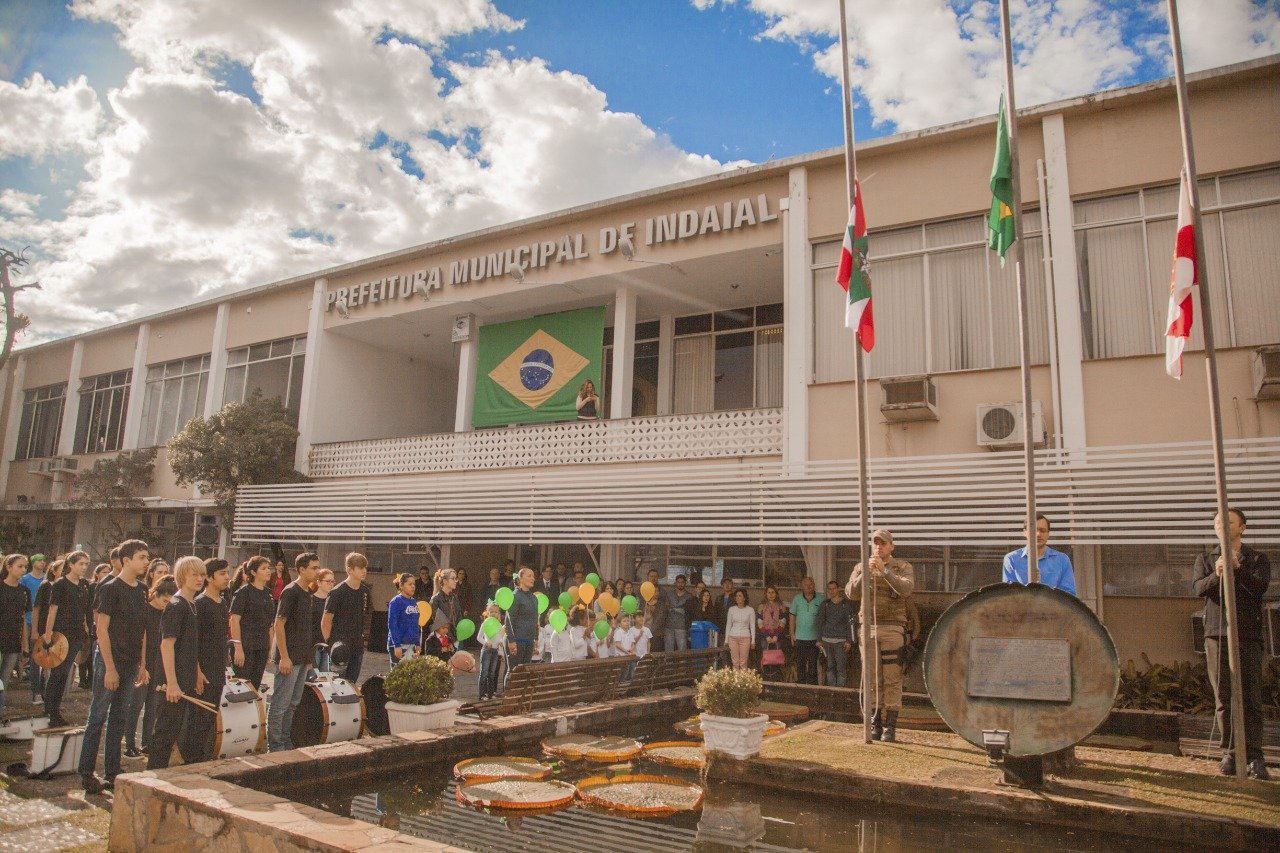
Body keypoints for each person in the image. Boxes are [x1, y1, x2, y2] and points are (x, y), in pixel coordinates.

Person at [1193, 508, 1271, 780]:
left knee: (1251, 698)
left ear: (1243, 528)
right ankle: (1228, 752)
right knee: (1223, 698)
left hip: (1248, 635)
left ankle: (1255, 756)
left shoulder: (1258, 559)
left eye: (1228, 523)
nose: (1221, 527)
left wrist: (1239, 570)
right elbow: (1198, 589)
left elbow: (1260, 588)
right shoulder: (1205, 558)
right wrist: (1217, 574)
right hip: (1217, 635)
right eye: (1217, 523)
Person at [78, 539, 149, 793]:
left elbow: (143, 630)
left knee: (120, 717)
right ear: (126, 560)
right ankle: (86, 773)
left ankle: (112, 771)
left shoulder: (142, 588)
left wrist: (142, 663)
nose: (146, 561)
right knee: (97, 716)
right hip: (109, 660)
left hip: (131, 663)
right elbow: (101, 630)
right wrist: (109, 667)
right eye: (141, 557)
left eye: (146, 557)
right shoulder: (109, 587)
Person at [846, 529, 915, 743]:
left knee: (893, 678)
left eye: (883, 543)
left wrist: (885, 571)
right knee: (872, 677)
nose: (879, 547)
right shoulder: (861, 566)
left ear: (891, 546)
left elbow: (906, 589)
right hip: (869, 627)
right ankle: (875, 723)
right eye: (876, 543)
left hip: (893, 628)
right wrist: (864, 574)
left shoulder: (902, 566)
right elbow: (850, 593)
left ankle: (891, 727)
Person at [147, 556, 208, 769]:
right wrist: (171, 683)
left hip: (185, 678)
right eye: (194, 575)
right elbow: (166, 645)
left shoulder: (192, 604)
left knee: (175, 730)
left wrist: (197, 672)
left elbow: (190, 645)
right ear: (182, 576)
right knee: (164, 733)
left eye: (202, 575)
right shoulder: (176, 605)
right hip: (170, 682)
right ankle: (152, 777)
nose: (200, 579)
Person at [266, 553, 319, 753]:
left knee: (293, 703)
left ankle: (285, 741)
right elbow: (279, 624)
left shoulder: (307, 593)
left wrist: (309, 660)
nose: (316, 571)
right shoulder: (291, 592)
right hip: (289, 658)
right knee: (280, 704)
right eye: (313, 568)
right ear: (301, 570)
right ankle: (275, 744)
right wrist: (284, 656)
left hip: (303, 657)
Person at [124, 575, 175, 759]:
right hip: (144, 661)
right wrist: (141, 665)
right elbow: (139, 638)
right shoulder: (145, 610)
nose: (166, 604)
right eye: (164, 600)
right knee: (136, 705)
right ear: (156, 594)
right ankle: (129, 744)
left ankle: (147, 743)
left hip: (158, 661)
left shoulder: (167, 613)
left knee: (152, 707)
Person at [43, 551, 91, 728]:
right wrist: (48, 634)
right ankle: (51, 710)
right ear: (70, 564)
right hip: (61, 633)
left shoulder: (84, 585)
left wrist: (86, 629)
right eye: (81, 564)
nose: (84, 567)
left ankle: (54, 708)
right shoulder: (61, 584)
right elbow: (52, 610)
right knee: (58, 673)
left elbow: (85, 611)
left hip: (77, 634)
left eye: (86, 564)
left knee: (65, 674)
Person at [191, 559, 230, 762]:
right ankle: (193, 761)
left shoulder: (222, 603)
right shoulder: (200, 604)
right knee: (199, 718)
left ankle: (204, 758)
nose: (227, 577)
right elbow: (194, 642)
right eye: (222, 573)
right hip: (203, 671)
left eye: (227, 572)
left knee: (211, 717)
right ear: (209, 577)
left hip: (217, 669)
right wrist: (197, 671)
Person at [322, 553, 372, 683]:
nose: (364, 571)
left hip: (357, 646)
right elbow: (326, 621)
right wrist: (329, 646)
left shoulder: (365, 591)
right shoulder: (337, 592)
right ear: (349, 570)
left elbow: (364, 617)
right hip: (340, 647)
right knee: (338, 686)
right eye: (360, 568)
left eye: (365, 567)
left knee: (351, 684)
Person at [229, 556, 275, 689]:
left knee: (255, 685)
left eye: (268, 568)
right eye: (263, 568)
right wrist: (238, 648)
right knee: (242, 685)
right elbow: (234, 620)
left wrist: (270, 648)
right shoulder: (244, 592)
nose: (268, 571)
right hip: (246, 645)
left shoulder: (268, 593)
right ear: (253, 572)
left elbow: (270, 624)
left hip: (262, 645)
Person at [1003, 513, 1076, 595]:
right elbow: (1008, 595)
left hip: (1052, 607)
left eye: (1043, 530)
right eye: (1034, 530)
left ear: (1048, 534)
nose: (1038, 534)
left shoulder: (1062, 560)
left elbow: (1069, 595)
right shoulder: (1011, 559)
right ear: (1025, 532)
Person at [0, 555, 30, 723]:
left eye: (25, 567)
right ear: (9, 567)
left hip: (12, 642)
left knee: (4, 681)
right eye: (20, 566)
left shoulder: (23, 591)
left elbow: (23, 619)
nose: (23, 570)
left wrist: (25, 645)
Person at [816, 580, 856, 688]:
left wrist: (849, 641)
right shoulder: (825, 604)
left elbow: (851, 623)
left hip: (841, 642)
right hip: (826, 641)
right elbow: (820, 622)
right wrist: (819, 640)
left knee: (841, 668)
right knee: (829, 667)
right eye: (829, 589)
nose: (832, 591)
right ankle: (831, 691)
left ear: (838, 589)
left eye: (834, 588)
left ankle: (840, 691)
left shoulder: (845, 604)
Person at [19, 554, 45, 704]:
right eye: (39, 560)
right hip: (27, 621)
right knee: (27, 654)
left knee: (39, 658)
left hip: (42, 623)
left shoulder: (45, 580)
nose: (42, 563)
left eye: (44, 560)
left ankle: (39, 691)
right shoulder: (25, 579)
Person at [504, 567, 539, 680]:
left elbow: (535, 619)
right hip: (516, 640)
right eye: (529, 576)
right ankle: (509, 697)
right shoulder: (515, 596)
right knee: (514, 672)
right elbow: (509, 619)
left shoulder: (533, 597)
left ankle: (520, 697)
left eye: (533, 576)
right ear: (520, 579)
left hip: (528, 640)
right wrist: (511, 640)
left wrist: (536, 638)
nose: (532, 578)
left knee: (524, 673)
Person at [789, 577, 821, 685]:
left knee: (812, 665)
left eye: (811, 584)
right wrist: (792, 634)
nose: (808, 586)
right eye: (806, 584)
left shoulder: (821, 599)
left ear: (814, 585)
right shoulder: (797, 599)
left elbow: (823, 619)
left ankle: (812, 688)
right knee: (800, 664)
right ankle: (801, 687)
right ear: (802, 586)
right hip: (800, 637)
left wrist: (821, 637)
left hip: (814, 639)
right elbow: (792, 616)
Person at [386, 573, 421, 665]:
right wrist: (396, 645)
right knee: (398, 676)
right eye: (410, 584)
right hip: (399, 644)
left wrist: (417, 643)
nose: (413, 586)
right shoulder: (396, 601)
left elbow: (416, 624)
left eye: (414, 584)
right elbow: (392, 624)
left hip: (412, 644)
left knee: (411, 675)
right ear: (401, 585)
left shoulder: (413, 601)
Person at [476, 602, 506, 699]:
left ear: (499, 614)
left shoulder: (499, 625)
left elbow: (499, 638)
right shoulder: (485, 623)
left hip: (495, 651)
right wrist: (485, 643)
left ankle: (490, 693)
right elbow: (479, 637)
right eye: (491, 611)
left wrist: (501, 645)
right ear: (487, 612)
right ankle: (482, 694)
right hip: (487, 650)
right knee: (484, 672)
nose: (494, 613)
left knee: (492, 673)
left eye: (496, 612)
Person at [309, 568, 335, 672]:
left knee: (325, 678)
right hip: (313, 645)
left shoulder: (332, 600)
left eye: (333, 581)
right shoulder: (310, 600)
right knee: (311, 676)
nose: (331, 584)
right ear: (319, 582)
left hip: (327, 645)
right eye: (328, 581)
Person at [724, 588, 756, 671]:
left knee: (743, 662)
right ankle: (735, 682)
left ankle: (743, 682)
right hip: (732, 637)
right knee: (735, 662)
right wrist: (726, 640)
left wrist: (753, 641)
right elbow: (728, 625)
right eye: (736, 596)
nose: (737, 598)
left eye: (740, 596)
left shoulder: (750, 610)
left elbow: (752, 626)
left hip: (745, 638)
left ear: (744, 598)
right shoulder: (731, 609)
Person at [429, 568, 461, 647]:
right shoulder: (436, 599)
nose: (455, 581)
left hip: (455, 637)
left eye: (456, 578)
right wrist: (448, 638)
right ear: (444, 581)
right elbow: (437, 622)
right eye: (453, 578)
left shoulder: (454, 597)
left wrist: (458, 634)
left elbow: (459, 616)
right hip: (442, 639)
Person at [663, 574, 693, 651]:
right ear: (675, 583)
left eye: (682, 582)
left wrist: (674, 608)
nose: (680, 584)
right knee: (669, 650)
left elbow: (688, 611)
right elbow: (666, 608)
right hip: (669, 626)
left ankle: (682, 663)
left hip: (682, 626)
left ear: (685, 583)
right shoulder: (669, 594)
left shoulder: (689, 596)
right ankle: (669, 664)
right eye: (678, 582)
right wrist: (679, 609)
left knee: (682, 650)